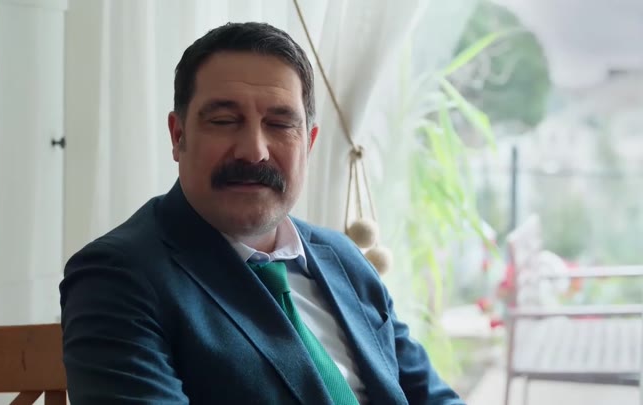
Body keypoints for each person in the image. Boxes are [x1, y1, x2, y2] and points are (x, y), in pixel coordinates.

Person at [60, 22, 464, 405]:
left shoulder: (343, 258)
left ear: (308, 143)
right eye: (224, 121)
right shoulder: (116, 277)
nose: (254, 151)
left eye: (280, 124)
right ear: (178, 135)